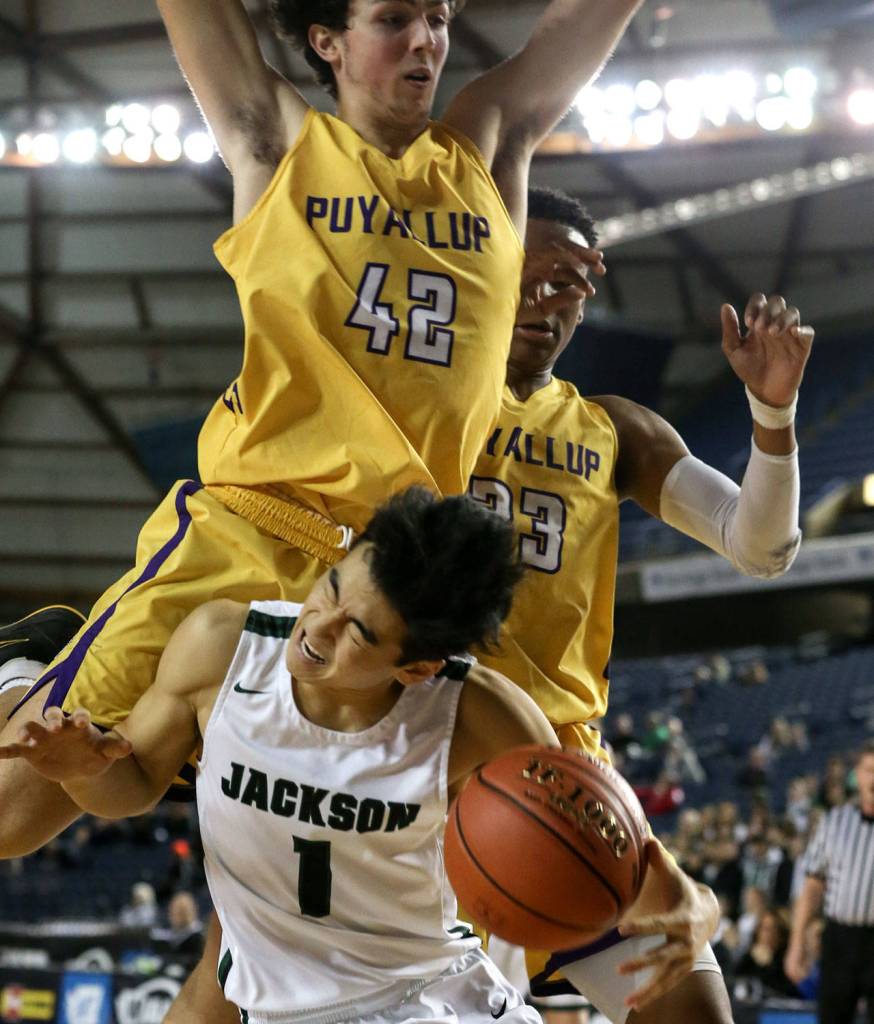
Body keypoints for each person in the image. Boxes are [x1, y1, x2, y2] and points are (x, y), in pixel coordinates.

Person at [0, 0, 642, 854]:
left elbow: (578, 24)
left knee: (327, 879)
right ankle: (25, 669)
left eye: (440, 18)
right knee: (12, 819)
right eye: (395, 19)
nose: (428, 39)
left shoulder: (487, 148)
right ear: (327, 42)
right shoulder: (277, 138)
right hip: (248, 530)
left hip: (386, 581)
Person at [2, 489, 558, 1023]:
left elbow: (578, 848)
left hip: (430, 1000)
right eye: (332, 587)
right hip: (275, 1007)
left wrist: (632, 892)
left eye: (357, 633)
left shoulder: (484, 720)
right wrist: (79, 770)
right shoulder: (220, 646)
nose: (318, 627)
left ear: (415, 668)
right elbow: (136, 782)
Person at [463, 184, 813, 1023]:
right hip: (421, 747)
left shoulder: (613, 429)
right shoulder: (410, 402)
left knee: (691, 1011)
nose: (547, 300)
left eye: (571, 283)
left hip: (560, 773)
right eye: (529, 271)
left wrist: (773, 414)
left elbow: (761, 545)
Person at [785, 740, 874, 1024]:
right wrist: (797, 943)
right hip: (840, 938)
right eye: (869, 770)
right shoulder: (835, 821)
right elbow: (812, 888)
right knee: (833, 1017)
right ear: (857, 775)